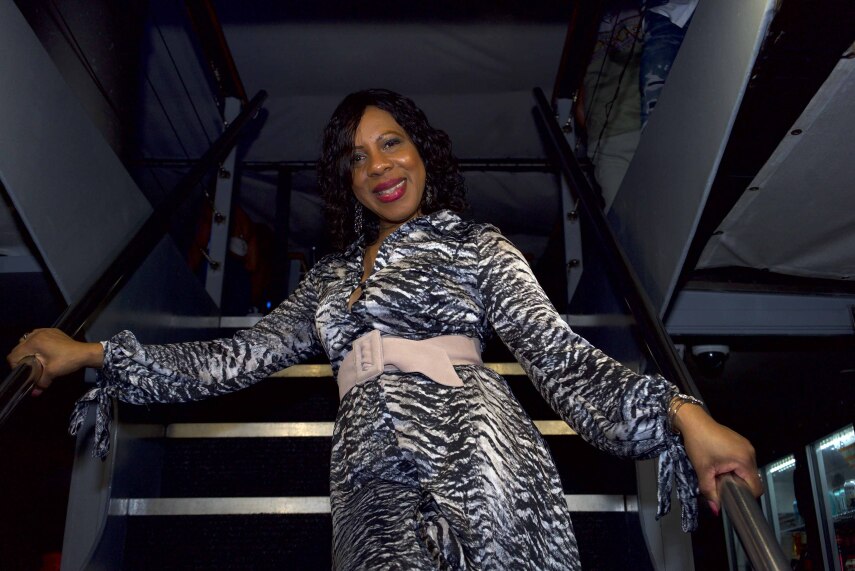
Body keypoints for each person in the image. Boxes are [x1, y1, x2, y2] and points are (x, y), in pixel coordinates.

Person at [7, 88, 761, 570]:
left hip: (477, 451)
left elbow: (558, 355)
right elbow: (234, 356)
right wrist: (91, 353)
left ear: (422, 149)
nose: (378, 166)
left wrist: (681, 414)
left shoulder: (475, 244)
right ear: (346, 180)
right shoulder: (327, 278)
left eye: (391, 142)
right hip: (364, 472)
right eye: (356, 157)